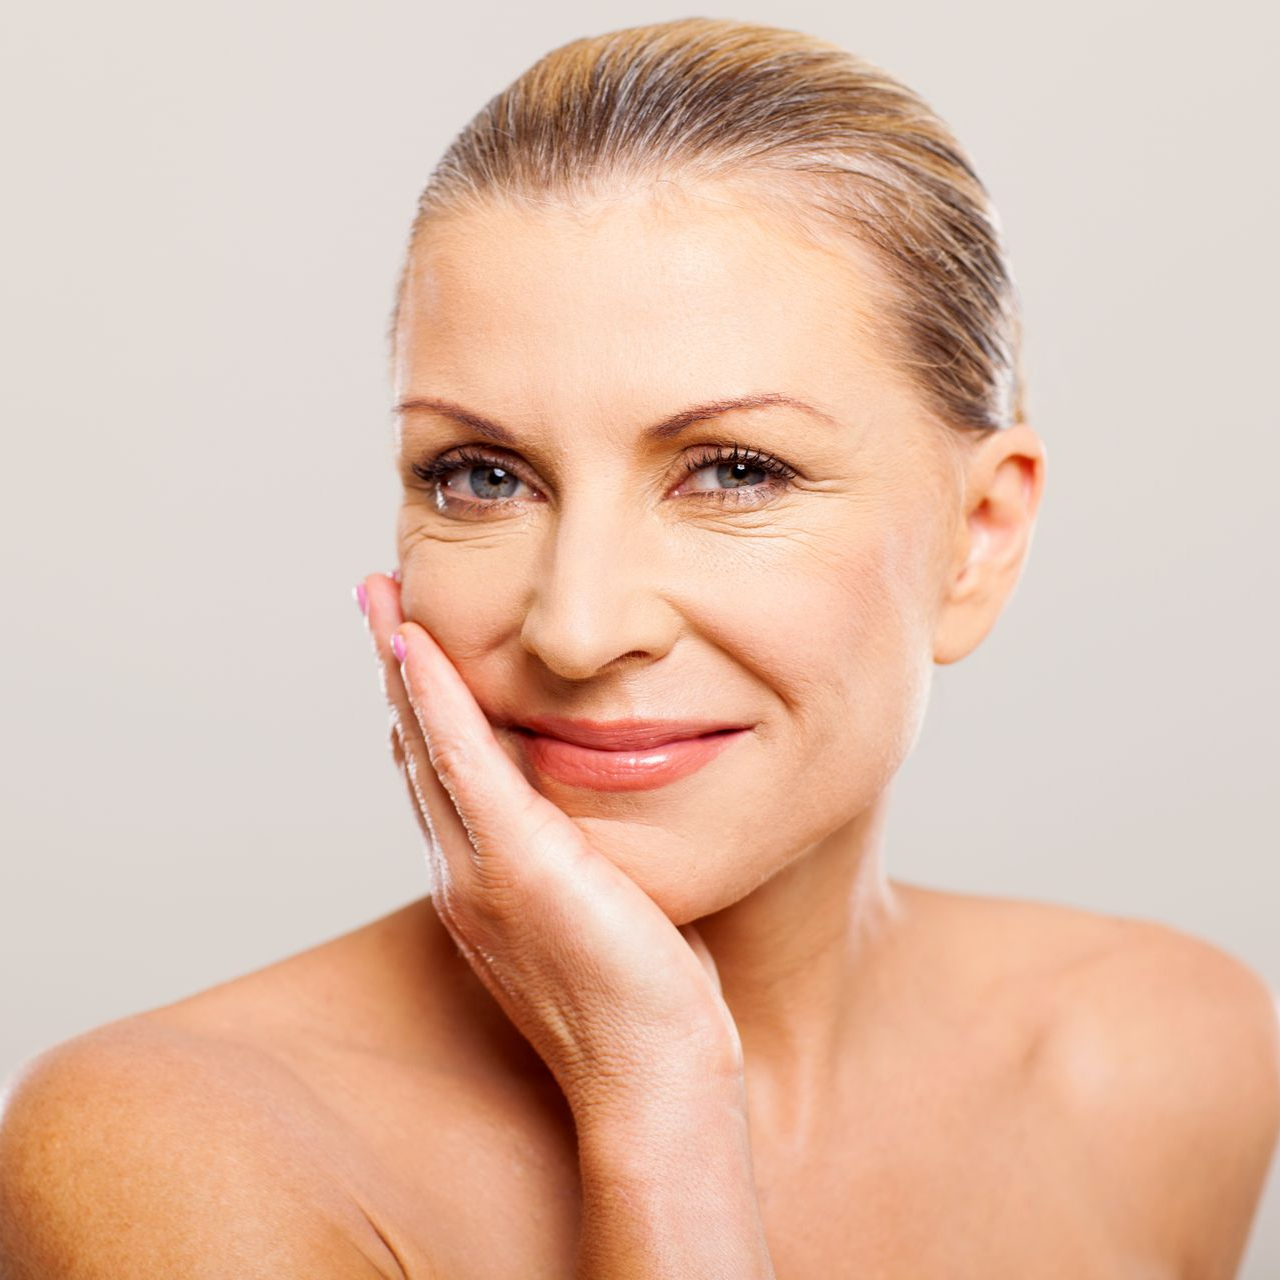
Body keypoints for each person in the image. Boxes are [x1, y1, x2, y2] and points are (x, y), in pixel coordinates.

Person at [2, 16, 1277, 1278]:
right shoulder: (175, 1148)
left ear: (978, 536)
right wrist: (655, 1100)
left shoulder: (1160, 1055)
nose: (576, 624)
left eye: (732, 469)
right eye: (481, 475)